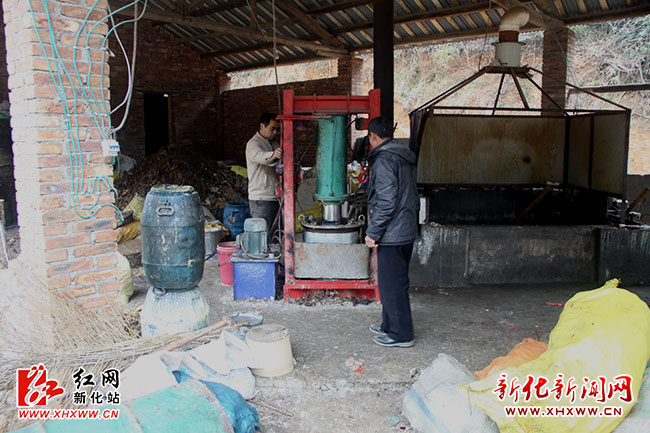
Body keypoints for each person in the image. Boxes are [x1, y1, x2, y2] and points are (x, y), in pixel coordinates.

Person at [364, 116, 419, 348]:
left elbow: (387, 201)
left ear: (373, 136)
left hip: (393, 232)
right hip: (405, 227)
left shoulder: (384, 160)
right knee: (393, 282)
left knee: (392, 285)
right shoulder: (402, 155)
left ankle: (401, 334)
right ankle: (389, 324)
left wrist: (373, 232)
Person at [245, 113, 282, 238]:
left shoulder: (273, 144)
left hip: (275, 196)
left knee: (275, 235)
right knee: (261, 237)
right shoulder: (253, 144)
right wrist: (273, 155)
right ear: (262, 126)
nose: (275, 132)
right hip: (261, 198)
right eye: (272, 128)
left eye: (277, 129)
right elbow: (260, 156)